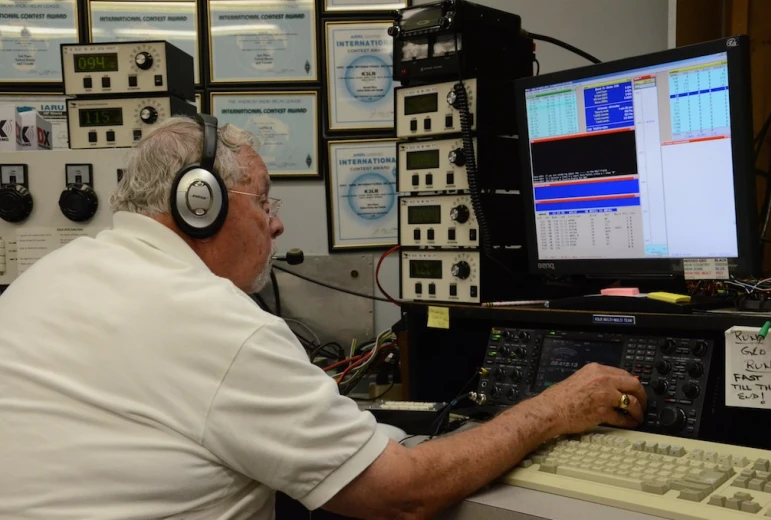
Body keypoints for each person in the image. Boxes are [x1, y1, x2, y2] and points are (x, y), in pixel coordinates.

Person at [0, 116, 647, 520]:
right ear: (202, 204)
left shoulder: (46, 280)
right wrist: (550, 410)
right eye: (263, 201)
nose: (277, 222)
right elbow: (399, 498)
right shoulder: (208, 318)